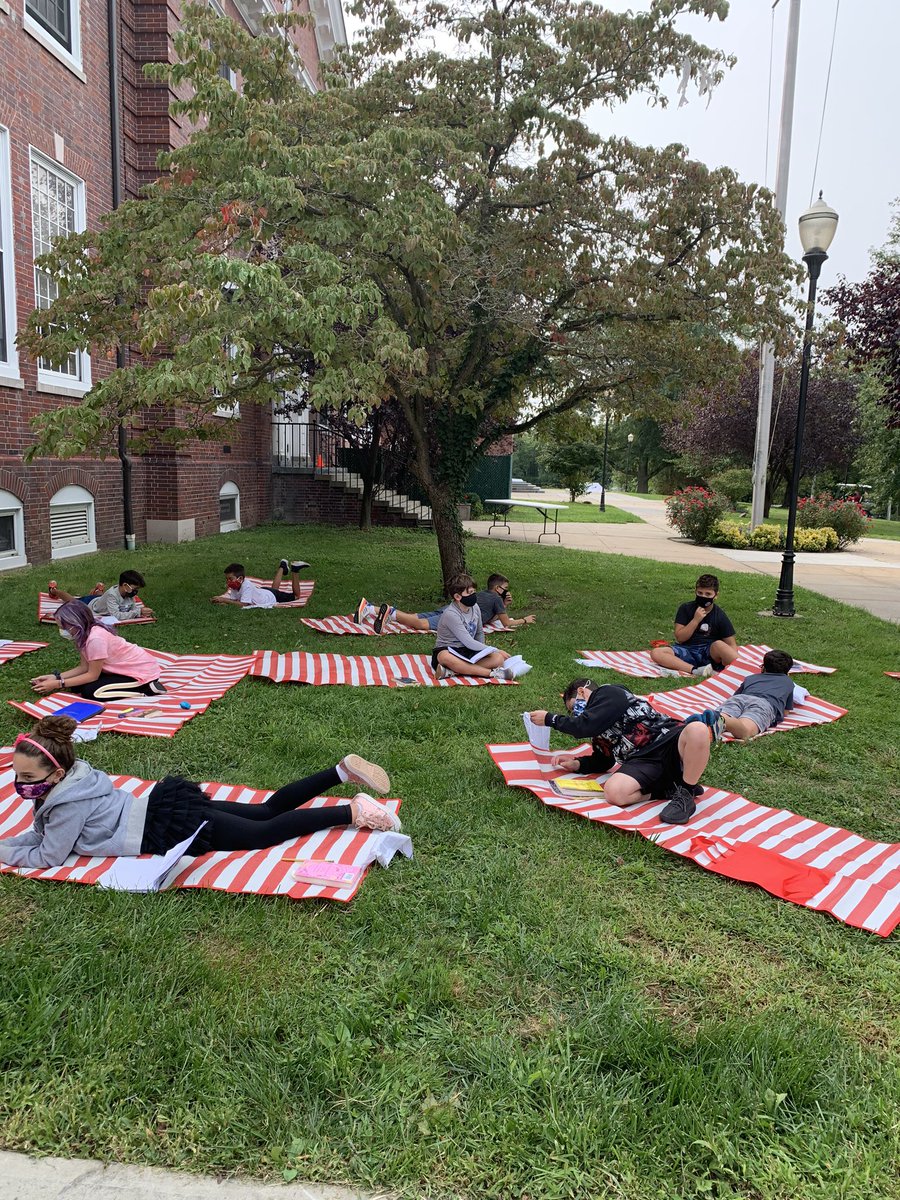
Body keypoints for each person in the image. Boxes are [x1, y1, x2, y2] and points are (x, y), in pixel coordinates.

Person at [0, 716, 401, 871]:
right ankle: (340, 772)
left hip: (165, 827)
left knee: (263, 833)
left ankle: (352, 813)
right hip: (163, 806)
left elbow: (49, 854)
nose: (20, 783)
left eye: (26, 775)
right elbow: (41, 835)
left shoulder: (65, 805)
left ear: (56, 773)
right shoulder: (78, 778)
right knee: (264, 810)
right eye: (17, 775)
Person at [528, 677, 716, 824]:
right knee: (614, 792)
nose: (577, 714)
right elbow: (604, 760)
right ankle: (669, 789)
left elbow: (583, 726)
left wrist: (551, 719)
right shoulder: (597, 727)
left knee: (698, 729)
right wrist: (577, 764)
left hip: (668, 739)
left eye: (573, 707)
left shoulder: (609, 693)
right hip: (642, 761)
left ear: (582, 691)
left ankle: (685, 793)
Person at [30, 601, 166, 701]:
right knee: (77, 687)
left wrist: (58, 684)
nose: (62, 631)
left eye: (63, 627)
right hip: (122, 668)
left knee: (91, 692)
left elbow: (92, 675)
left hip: (141, 672)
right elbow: (84, 668)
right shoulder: (82, 635)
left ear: (75, 623)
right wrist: (56, 677)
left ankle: (146, 689)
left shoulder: (95, 639)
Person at [354, 572, 534, 635]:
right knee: (420, 624)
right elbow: (506, 623)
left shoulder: (483, 595)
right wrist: (524, 620)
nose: (506, 591)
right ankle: (388, 611)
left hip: (451, 607)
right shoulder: (496, 599)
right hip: (458, 615)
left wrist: (504, 606)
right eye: (505, 588)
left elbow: (490, 617)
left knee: (414, 616)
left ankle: (369, 608)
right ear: (497, 588)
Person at [684, 649, 804, 742]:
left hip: (739, 698)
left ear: (764, 667)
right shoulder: (788, 683)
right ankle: (722, 720)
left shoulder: (751, 678)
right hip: (764, 704)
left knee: (728, 712)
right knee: (745, 730)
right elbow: (786, 711)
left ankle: (713, 719)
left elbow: (736, 696)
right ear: (787, 671)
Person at [432, 573, 531, 680]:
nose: (474, 595)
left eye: (474, 591)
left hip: (467, 650)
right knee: (444, 656)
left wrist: (484, 653)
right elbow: (468, 641)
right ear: (457, 597)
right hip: (449, 650)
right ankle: (493, 674)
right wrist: (495, 650)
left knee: (498, 659)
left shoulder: (475, 607)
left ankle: (453, 671)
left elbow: (479, 632)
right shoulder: (451, 614)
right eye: (470, 592)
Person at [649, 573, 738, 678]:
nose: (703, 597)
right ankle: (696, 670)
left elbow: (731, 644)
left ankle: (743, 669)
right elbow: (680, 638)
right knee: (656, 653)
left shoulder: (719, 615)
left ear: (716, 595)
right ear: (695, 591)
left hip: (709, 652)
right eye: (700, 593)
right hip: (687, 650)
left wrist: (727, 658)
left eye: (708, 594)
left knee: (719, 644)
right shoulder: (686, 608)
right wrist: (695, 620)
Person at [49, 570, 153, 621]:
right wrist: (138, 612)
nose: (136, 592)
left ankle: (98, 590)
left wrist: (140, 612)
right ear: (125, 586)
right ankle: (54, 591)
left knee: (101, 598)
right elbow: (116, 616)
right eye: (135, 589)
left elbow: (133, 609)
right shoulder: (112, 594)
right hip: (90, 604)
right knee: (72, 601)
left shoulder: (129, 594)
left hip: (101, 601)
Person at [212, 559, 311, 608]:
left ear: (240, 578)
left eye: (230, 579)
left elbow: (243, 604)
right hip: (265, 592)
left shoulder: (246, 585)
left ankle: (295, 570)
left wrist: (223, 599)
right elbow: (234, 601)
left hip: (270, 596)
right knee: (274, 590)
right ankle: (282, 566)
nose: (228, 582)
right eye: (227, 579)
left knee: (296, 596)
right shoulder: (235, 585)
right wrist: (220, 601)